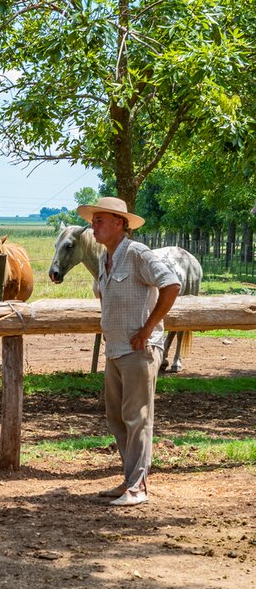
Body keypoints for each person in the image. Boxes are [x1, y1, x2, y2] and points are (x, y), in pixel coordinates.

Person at [77, 197, 181, 507]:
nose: (93, 225)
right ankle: (130, 478)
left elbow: (171, 284)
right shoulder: (104, 259)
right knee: (117, 417)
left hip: (139, 350)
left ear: (119, 223)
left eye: (99, 220)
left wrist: (148, 329)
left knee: (137, 417)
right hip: (116, 350)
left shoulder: (137, 253)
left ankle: (139, 487)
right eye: (93, 220)